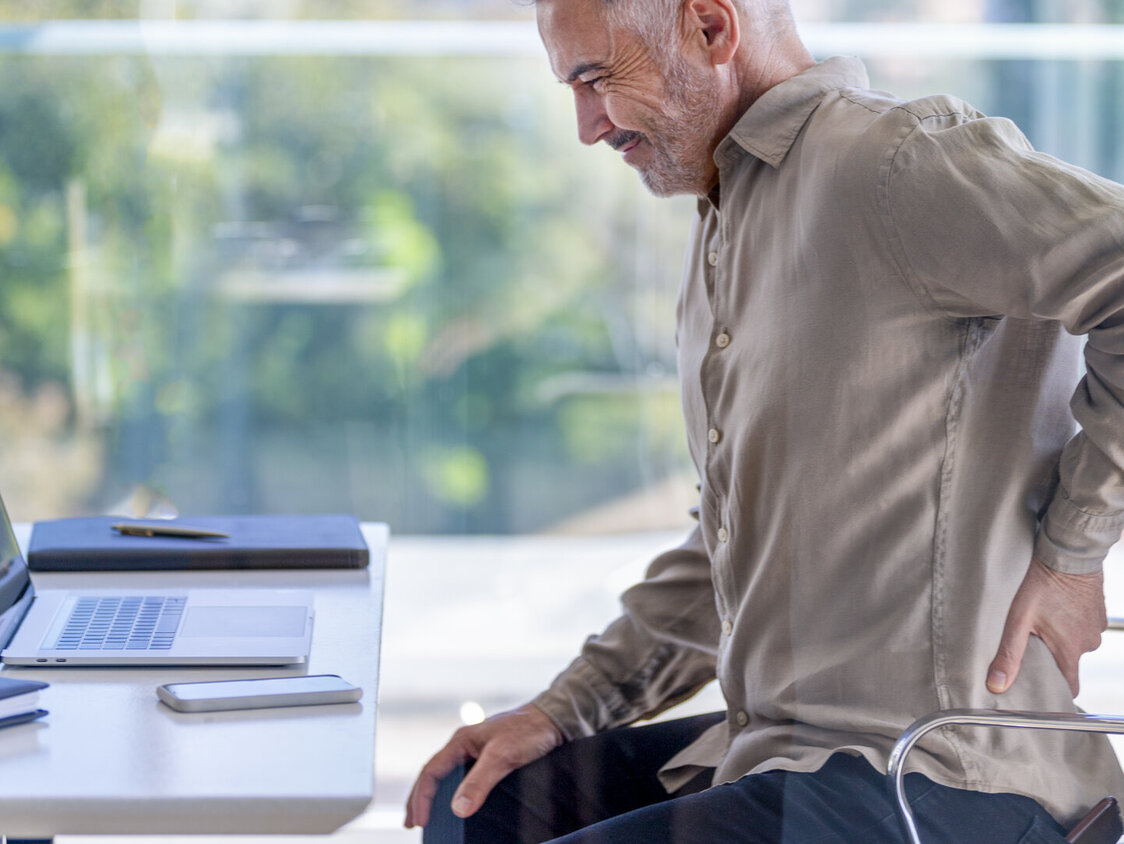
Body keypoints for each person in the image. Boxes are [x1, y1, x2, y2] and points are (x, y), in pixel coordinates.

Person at [405, 0, 1124, 841]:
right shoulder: (728, 219)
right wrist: (565, 711)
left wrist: (1074, 549)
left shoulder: (895, 164)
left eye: (597, 79)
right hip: (781, 751)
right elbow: (735, 538)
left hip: (936, 774)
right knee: (481, 808)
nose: (587, 127)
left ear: (710, 29)